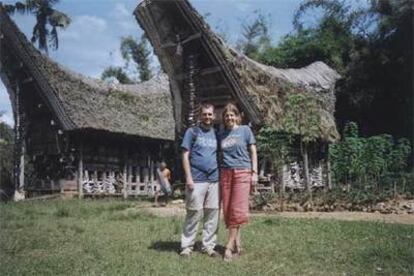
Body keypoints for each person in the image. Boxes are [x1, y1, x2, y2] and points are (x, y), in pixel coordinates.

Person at [180, 103, 219, 258]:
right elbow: (184, 155)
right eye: (204, 114)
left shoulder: (216, 134)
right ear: (200, 116)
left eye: (210, 114)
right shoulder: (192, 132)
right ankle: (186, 246)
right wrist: (188, 177)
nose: (207, 117)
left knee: (212, 213)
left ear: (214, 116)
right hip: (196, 179)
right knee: (194, 212)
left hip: (214, 180)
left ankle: (208, 246)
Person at [219, 103, 258, 262]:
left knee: (237, 209)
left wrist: (254, 173)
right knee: (228, 210)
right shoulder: (221, 134)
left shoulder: (245, 130)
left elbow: (253, 151)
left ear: (237, 116)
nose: (229, 117)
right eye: (226, 115)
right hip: (226, 173)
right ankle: (238, 243)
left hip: (242, 172)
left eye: (232, 115)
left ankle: (228, 246)